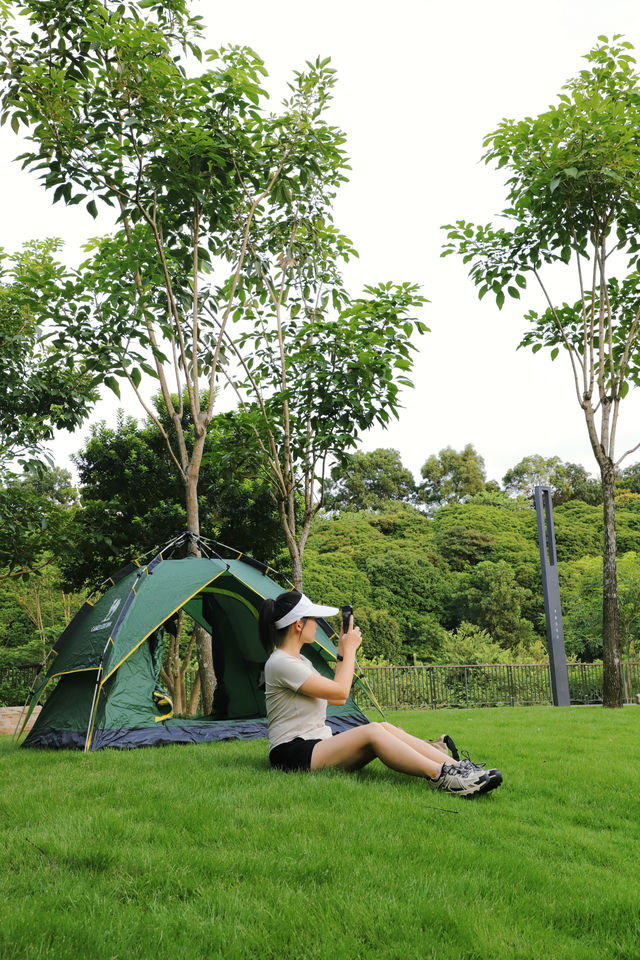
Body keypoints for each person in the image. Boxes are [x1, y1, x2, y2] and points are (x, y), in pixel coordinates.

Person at [259, 589, 503, 798]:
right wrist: (352, 649)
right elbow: (341, 694)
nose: (316, 624)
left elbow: (334, 696)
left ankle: (459, 768)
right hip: (292, 754)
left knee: (383, 727)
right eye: (313, 618)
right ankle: (442, 776)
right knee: (374, 730)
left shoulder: (299, 660)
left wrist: (344, 652)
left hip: (314, 745)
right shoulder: (281, 663)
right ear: (299, 624)